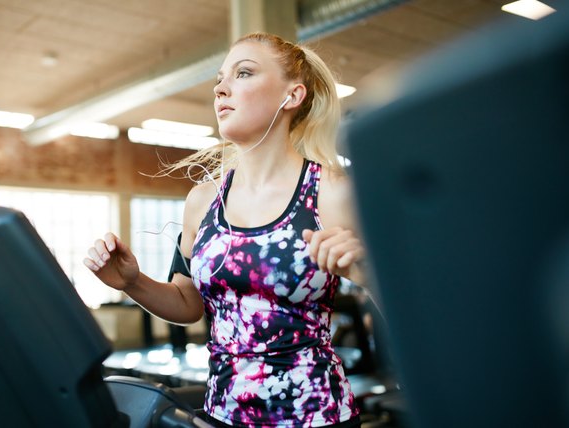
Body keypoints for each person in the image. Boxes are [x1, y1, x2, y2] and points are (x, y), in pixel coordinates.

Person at [84, 32, 366, 428]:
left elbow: (416, 307)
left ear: (293, 96)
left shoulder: (331, 193)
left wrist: (364, 273)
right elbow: (188, 303)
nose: (220, 88)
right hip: (222, 415)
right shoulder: (202, 201)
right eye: (219, 78)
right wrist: (132, 281)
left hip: (315, 415)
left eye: (243, 73)